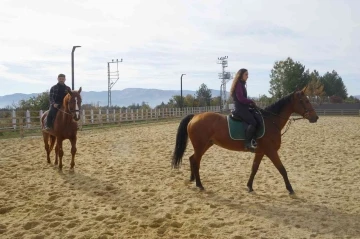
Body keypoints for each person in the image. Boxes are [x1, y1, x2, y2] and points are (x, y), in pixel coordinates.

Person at [229, 68, 259, 150]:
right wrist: (251, 101)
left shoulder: (241, 84)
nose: (247, 76)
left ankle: (254, 139)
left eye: (247, 74)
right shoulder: (239, 84)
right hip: (240, 109)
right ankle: (247, 143)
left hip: (243, 107)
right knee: (253, 122)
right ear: (241, 75)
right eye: (246, 74)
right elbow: (241, 98)